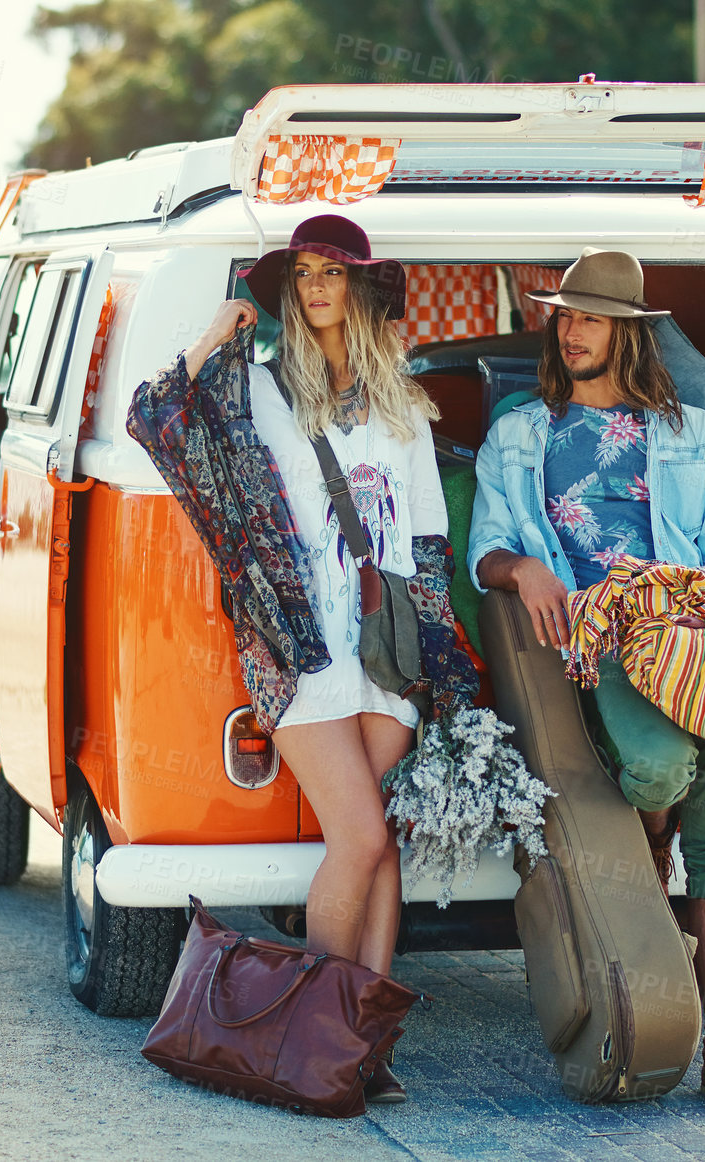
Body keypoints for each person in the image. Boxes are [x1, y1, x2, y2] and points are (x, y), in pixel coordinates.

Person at [145, 214, 477, 1105]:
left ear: (361, 287)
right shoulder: (256, 389)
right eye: (302, 274)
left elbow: (426, 536)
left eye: (333, 272)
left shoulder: (402, 399)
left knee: (381, 851)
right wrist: (220, 325)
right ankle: (313, 1034)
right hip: (299, 643)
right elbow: (156, 417)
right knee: (359, 835)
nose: (317, 286)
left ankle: (364, 1045)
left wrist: (430, 659)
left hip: (385, 643)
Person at [467, 246, 705, 1114]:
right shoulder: (519, 432)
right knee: (654, 769)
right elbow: (485, 545)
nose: (571, 332)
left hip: (689, 627)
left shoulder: (688, 431)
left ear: (628, 335)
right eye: (565, 316)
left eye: (590, 319)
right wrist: (521, 572)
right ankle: (647, 859)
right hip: (599, 637)